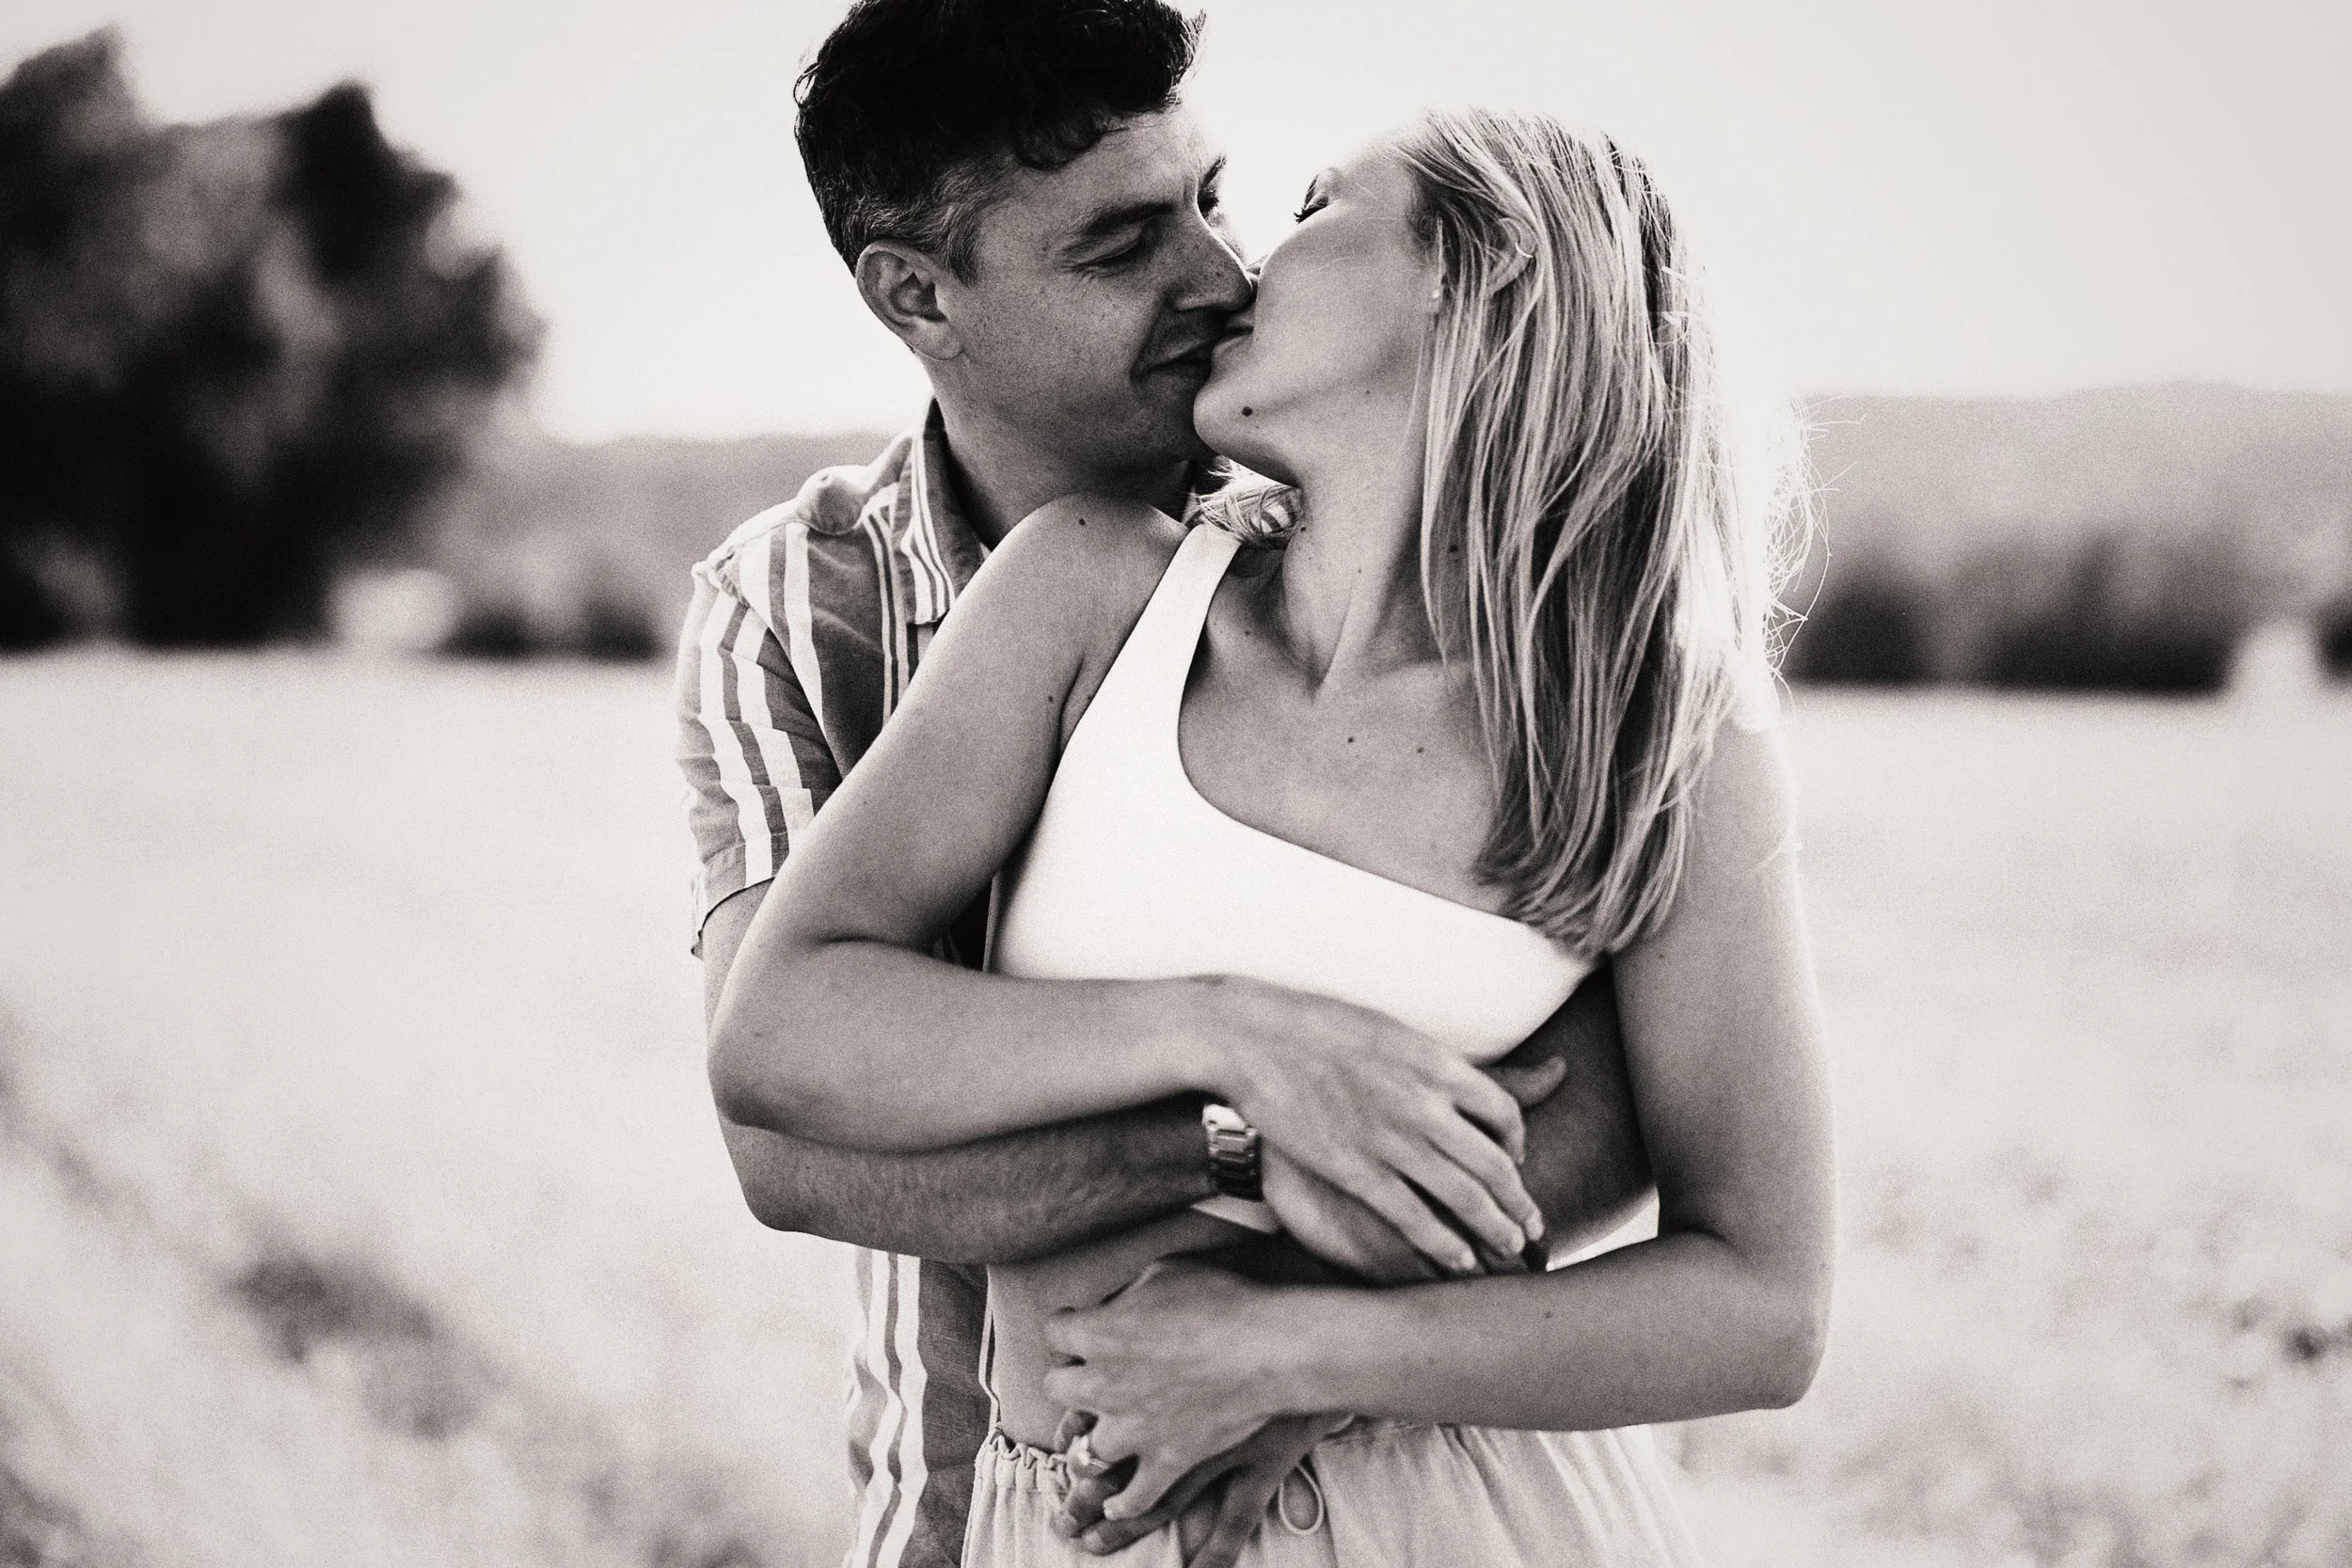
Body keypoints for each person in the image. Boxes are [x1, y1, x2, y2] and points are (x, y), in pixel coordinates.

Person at [708, 103, 1834, 1565]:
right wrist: (1240, 1041)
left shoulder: (1655, 719)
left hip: (1468, 1512)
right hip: (1066, 1523)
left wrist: (1293, 1356)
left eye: (1309, 205)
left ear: (1467, 282)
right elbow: (777, 1032)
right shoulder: (1096, 591)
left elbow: (1764, 1304)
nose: (1236, 269)